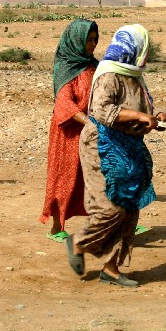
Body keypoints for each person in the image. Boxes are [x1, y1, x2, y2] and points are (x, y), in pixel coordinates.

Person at [65, 24, 166, 288]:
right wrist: (137, 116)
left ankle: (111, 269)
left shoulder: (134, 76)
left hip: (130, 147)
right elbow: (101, 111)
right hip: (102, 146)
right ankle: (79, 242)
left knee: (129, 209)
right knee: (110, 208)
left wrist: (157, 117)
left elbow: (142, 109)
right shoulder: (109, 75)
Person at [39, 19, 99, 240]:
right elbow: (64, 103)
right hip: (68, 132)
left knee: (97, 177)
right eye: (88, 40)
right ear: (77, 40)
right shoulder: (65, 68)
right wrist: (88, 121)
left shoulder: (95, 66)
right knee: (65, 177)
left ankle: (106, 223)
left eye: (94, 40)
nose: (92, 44)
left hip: (92, 130)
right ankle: (57, 226)